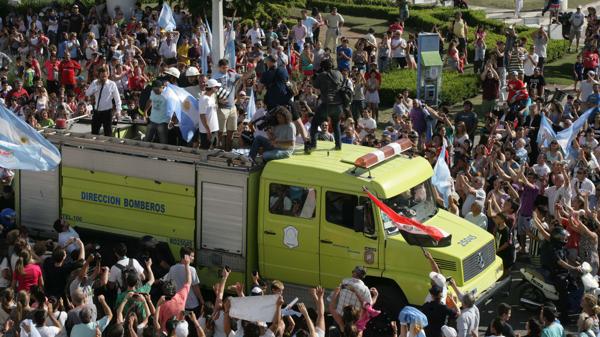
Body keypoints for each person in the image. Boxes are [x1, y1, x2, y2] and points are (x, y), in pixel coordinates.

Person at [309, 58, 344, 151]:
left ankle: (313, 145)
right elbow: (341, 83)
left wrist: (315, 76)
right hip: (338, 105)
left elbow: (315, 85)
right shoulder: (339, 73)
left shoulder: (322, 75)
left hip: (327, 105)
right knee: (336, 124)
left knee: (314, 123)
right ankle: (338, 145)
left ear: (323, 67)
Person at [162, 247, 205, 315]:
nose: (193, 258)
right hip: (192, 304)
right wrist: (201, 300)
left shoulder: (172, 268)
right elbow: (195, 288)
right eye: (192, 256)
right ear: (186, 256)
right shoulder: (192, 270)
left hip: (178, 304)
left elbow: (168, 283)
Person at [85, 67, 122, 136]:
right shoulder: (95, 83)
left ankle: (107, 146)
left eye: (105, 76)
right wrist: (96, 87)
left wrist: (118, 111)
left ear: (108, 75)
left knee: (108, 133)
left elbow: (117, 99)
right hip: (97, 111)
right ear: (99, 76)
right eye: (102, 77)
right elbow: (87, 93)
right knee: (94, 132)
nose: (103, 78)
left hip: (107, 112)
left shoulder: (112, 84)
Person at [198, 79, 221, 149]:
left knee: (212, 150)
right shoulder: (204, 99)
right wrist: (208, 131)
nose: (218, 88)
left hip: (213, 129)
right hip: (207, 131)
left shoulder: (211, 97)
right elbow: (202, 116)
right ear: (213, 88)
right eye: (217, 87)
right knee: (205, 151)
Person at [144, 80, 169, 144]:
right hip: (153, 120)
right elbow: (150, 101)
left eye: (157, 90)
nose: (155, 91)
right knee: (147, 140)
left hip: (163, 121)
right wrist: (145, 111)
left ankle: (163, 153)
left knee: (163, 142)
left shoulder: (168, 94)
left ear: (162, 87)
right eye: (154, 89)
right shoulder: (152, 92)